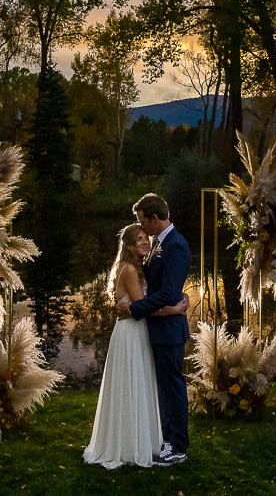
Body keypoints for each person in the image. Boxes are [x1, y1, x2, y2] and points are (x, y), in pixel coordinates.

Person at [83, 222, 188, 468]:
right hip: (131, 333)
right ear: (129, 246)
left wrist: (178, 296)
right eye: (138, 239)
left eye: (145, 238)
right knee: (132, 384)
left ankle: (139, 440)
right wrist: (174, 309)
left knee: (138, 383)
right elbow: (144, 307)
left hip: (138, 330)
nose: (144, 242)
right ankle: (128, 445)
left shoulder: (137, 267)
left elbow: (142, 304)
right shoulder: (129, 269)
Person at [117, 193, 191, 466]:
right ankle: (167, 439)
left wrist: (134, 309)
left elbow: (168, 293)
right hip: (158, 327)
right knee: (164, 388)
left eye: (143, 222)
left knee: (172, 389)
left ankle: (178, 447)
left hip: (169, 330)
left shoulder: (175, 246)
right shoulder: (161, 244)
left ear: (155, 218)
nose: (142, 228)